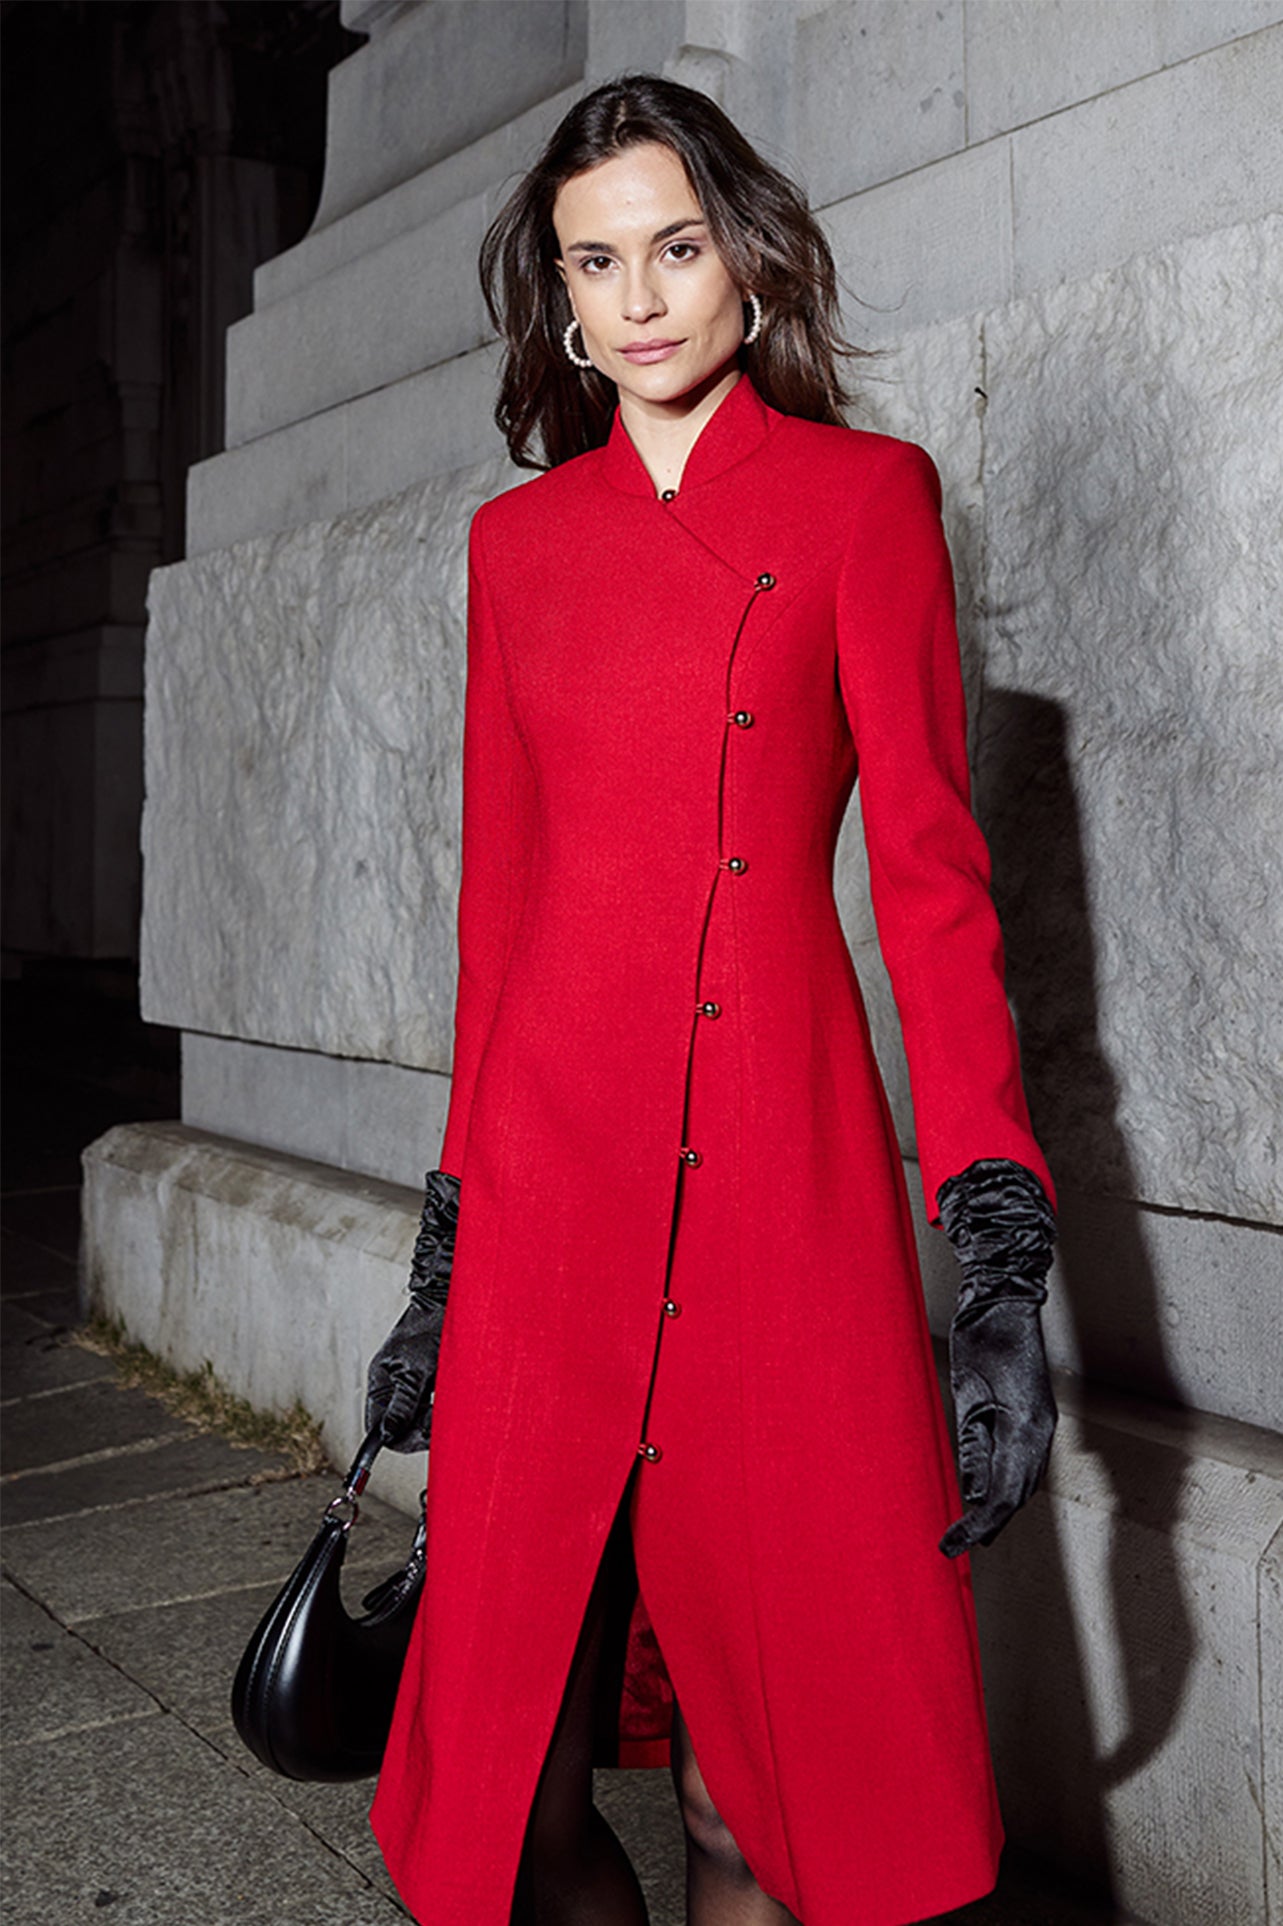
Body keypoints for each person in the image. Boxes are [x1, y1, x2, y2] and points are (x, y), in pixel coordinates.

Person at [364, 73, 1058, 1926]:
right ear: (561, 300)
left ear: (745, 258)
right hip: (544, 1193)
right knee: (505, 1800)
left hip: (773, 1191)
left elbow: (932, 888)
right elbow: (498, 924)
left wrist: (996, 1245)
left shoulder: (863, 502)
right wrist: (445, 1255)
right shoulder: (517, 548)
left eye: (675, 247)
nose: (642, 296)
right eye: (597, 263)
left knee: (761, 1806)